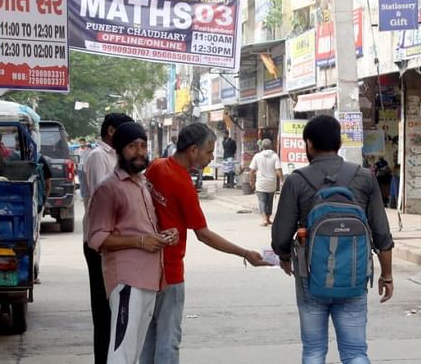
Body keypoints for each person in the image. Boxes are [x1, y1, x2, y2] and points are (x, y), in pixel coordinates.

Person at [140, 123, 268, 364]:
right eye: (209, 152)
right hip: (170, 270)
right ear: (193, 150)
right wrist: (244, 253)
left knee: (149, 336)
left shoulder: (156, 167)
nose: (211, 158)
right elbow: (203, 234)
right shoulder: (182, 183)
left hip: (146, 267)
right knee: (168, 341)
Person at [271, 115, 394, 364]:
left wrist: (285, 257)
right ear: (338, 143)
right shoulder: (364, 177)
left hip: (310, 276)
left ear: (309, 144)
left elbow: (280, 235)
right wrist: (387, 275)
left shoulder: (297, 180)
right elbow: (382, 233)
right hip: (354, 274)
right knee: (356, 352)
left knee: (314, 351)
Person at [87, 121, 178, 364]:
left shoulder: (141, 184)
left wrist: (163, 234)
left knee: (133, 353)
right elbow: (96, 239)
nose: (139, 152)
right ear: (118, 150)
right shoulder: (109, 188)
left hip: (149, 279)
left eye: (143, 146)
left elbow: (142, 228)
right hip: (127, 282)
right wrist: (140, 241)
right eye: (132, 146)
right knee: (122, 354)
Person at [82, 113, 134, 364]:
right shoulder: (98, 157)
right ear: (112, 131)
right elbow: (100, 199)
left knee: (119, 309)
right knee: (103, 311)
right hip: (100, 244)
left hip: (118, 245)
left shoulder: (119, 158)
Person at [249, 138, 282, 226]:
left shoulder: (257, 156)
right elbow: (278, 170)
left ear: (262, 146)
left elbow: (252, 170)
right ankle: (268, 218)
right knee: (270, 201)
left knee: (262, 201)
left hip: (261, 183)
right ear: (271, 146)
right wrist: (282, 180)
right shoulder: (275, 156)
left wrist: (251, 181)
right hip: (271, 183)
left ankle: (264, 219)